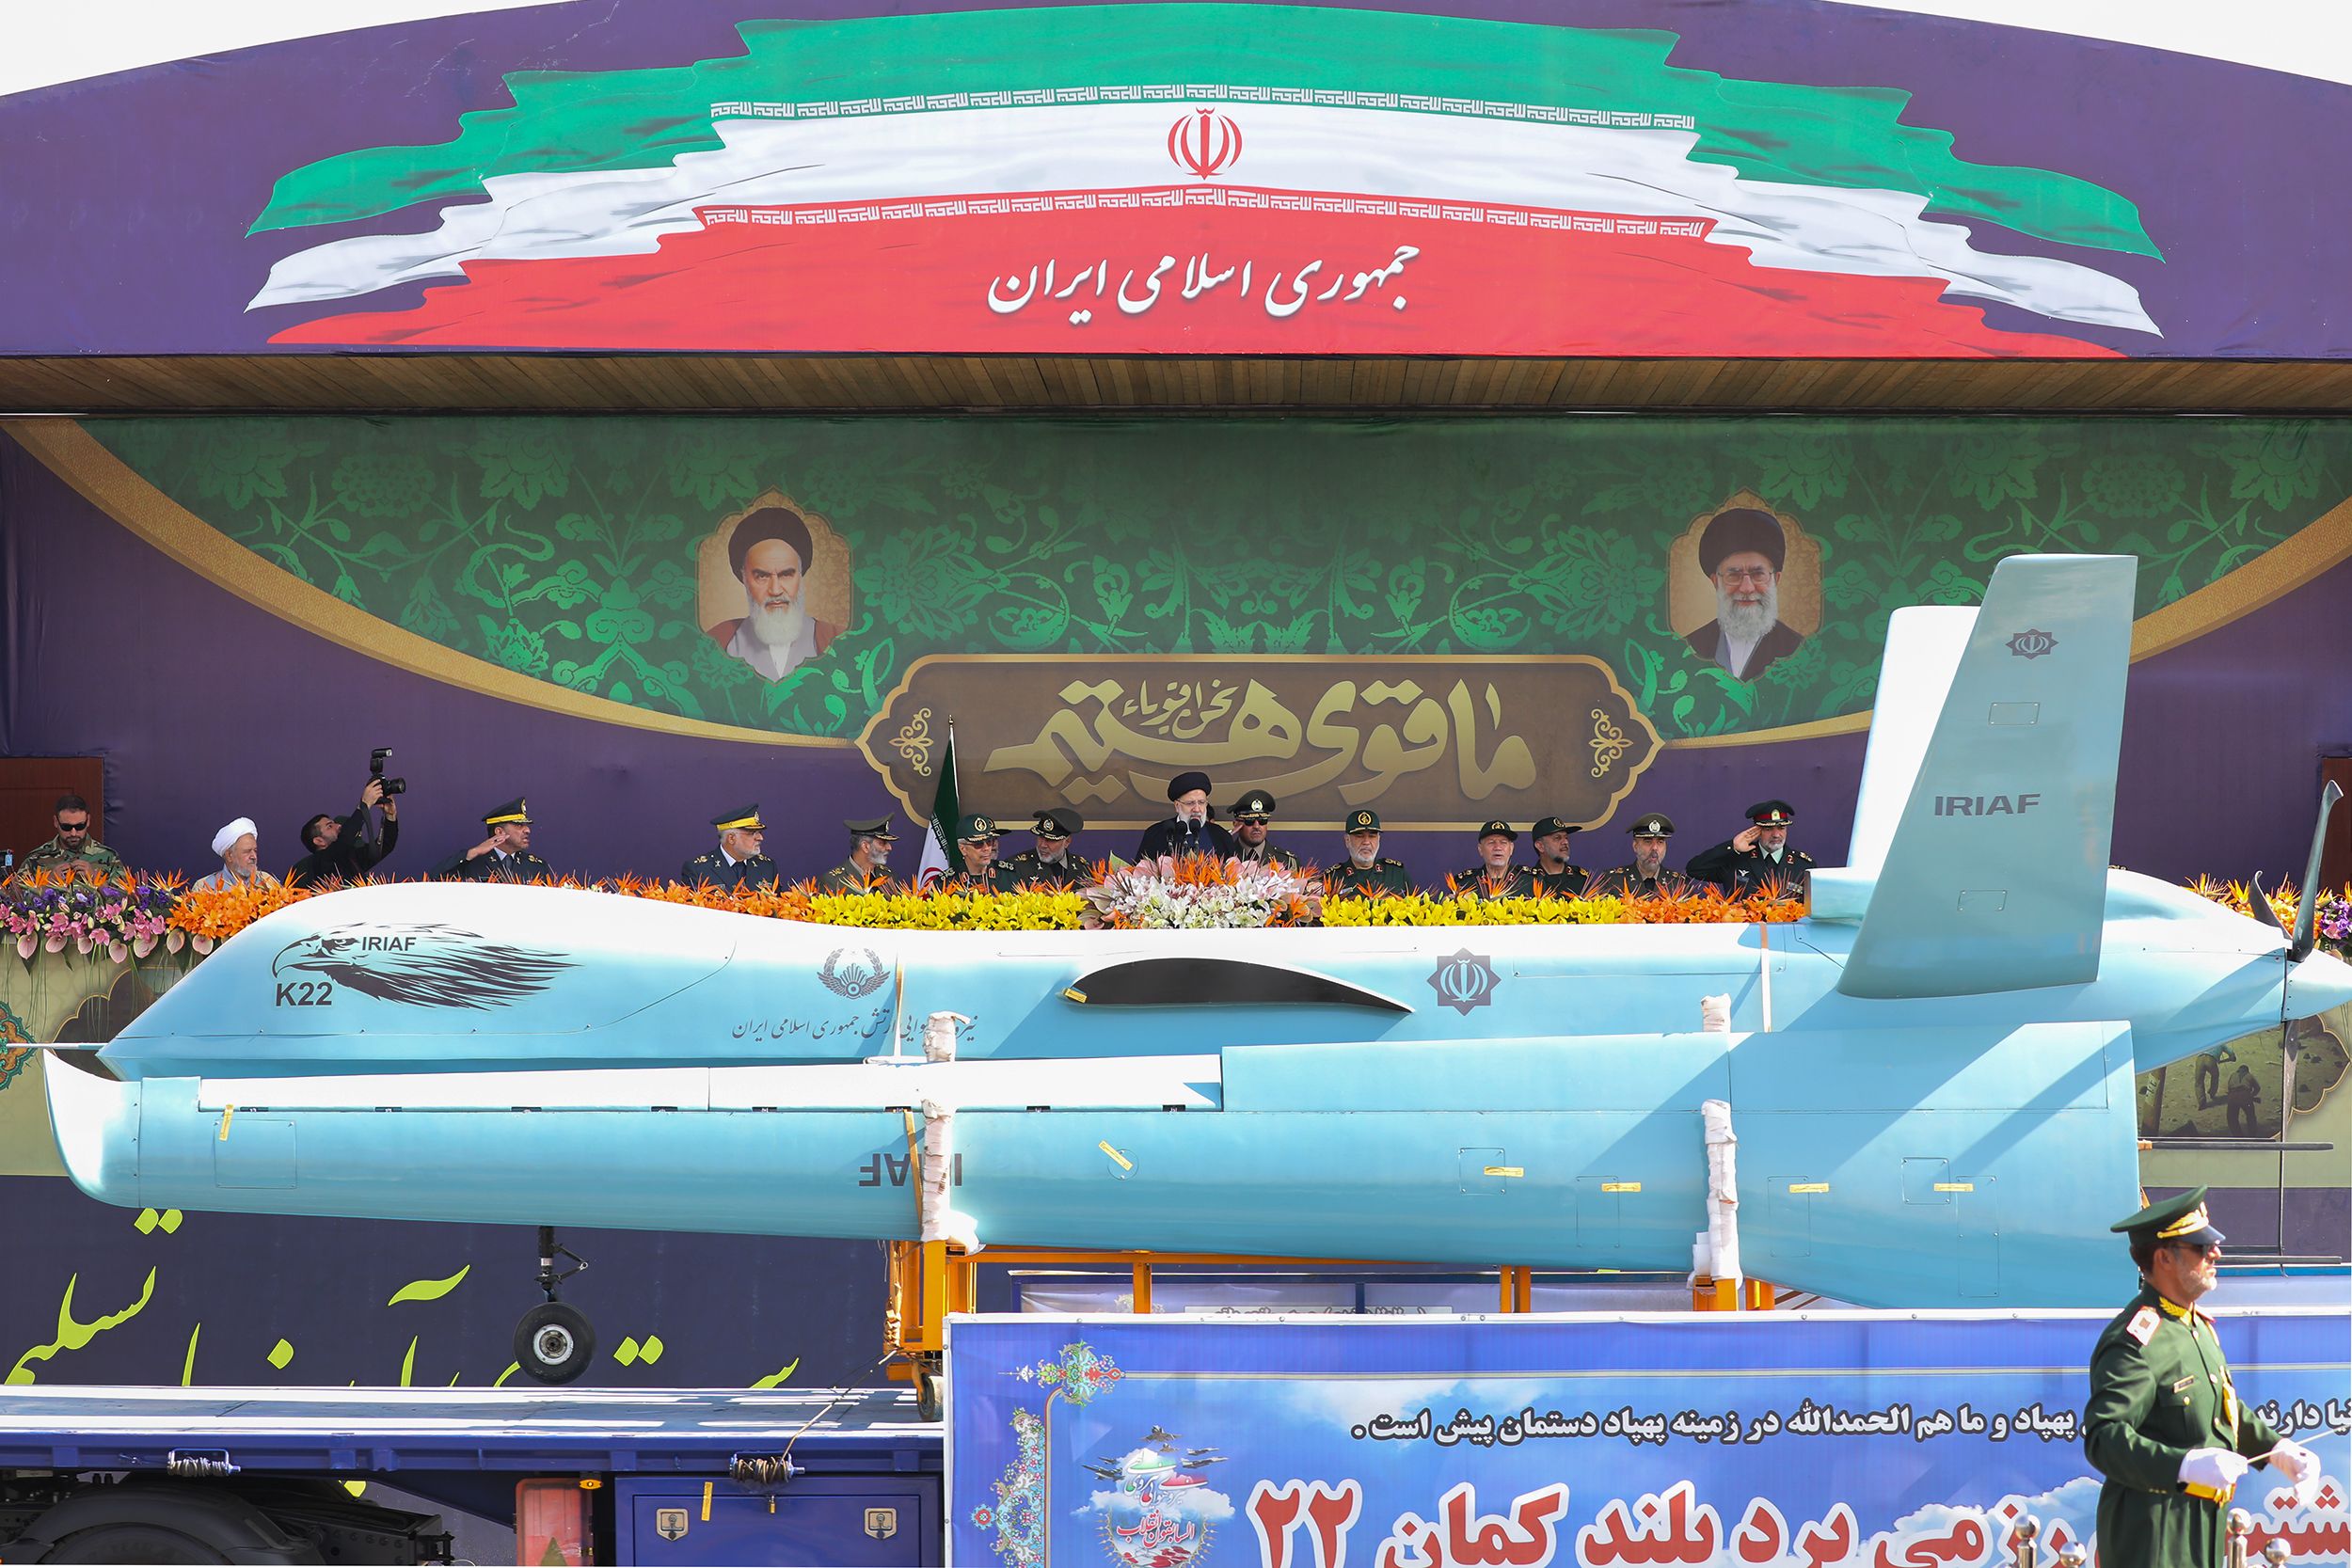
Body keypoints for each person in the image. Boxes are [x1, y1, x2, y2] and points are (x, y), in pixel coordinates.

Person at [2084, 1187, 2319, 1566]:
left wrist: (2279, 1450)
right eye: (2201, 1247)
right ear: (2164, 1258)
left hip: (2203, 1528)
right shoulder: (2137, 1341)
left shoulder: (2196, 1326)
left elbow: (2224, 1408)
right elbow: (2104, 1439)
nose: (2215, 1253)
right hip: (2154, 1537)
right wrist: (2184, 1466)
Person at [707, 506, 844, 682]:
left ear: (800, 575)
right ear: (744, 578)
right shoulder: (717, 641)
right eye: (762, 576)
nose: (776, 590)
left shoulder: (836, 638)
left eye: (786, 574)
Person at [1684, 509, 1805, 681]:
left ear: (1776, 579)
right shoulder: (1690, 648)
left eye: (1758, 574)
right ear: (1716, 582)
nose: (1747, 588)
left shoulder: (1800, 650)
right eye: (1734, 575)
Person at [1686, 800, 1815, 897]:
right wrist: (1732, 847)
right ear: (1757, 830)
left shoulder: (1803, 865)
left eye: (1781, 828)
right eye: (1768, 828)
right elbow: (1694, 869)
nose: (1776, 834)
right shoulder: (1736, 858)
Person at [288, 778, 401, 888]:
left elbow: (385, 846)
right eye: (329, 826)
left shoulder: (351, 859)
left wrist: (390, 815)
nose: (338, 826)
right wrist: (364, 804)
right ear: (319, 841)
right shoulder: (319, 863)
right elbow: (344, 842)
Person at [432, 798, 551, 883]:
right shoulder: (472, 862)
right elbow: (433, 879)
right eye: (519, 825)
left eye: (526, 826)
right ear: (499, 832)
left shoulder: (536, 866)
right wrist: (473, 852)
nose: (527, 830)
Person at [15, 794, 126, 881]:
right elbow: (15, 898)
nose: (73, 833)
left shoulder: (109, 857)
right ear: (56, 822)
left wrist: (95, 878)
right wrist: (47, 882)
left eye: (79, 826)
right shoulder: (35, 858)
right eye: (66, 827)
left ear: (88, 821)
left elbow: (125, 899)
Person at [1135, 771, 1237, 862]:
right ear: (1177, 805)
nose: (1197, 809)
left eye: (1201, 802)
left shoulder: (1220, 836)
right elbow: (1140, 872)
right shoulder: (1156, 834)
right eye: (1190, 803)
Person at [1590, 814, 1694, 898]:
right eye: (1648, 841)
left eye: (1660, 842)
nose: (1655, 848)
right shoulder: (1612, 881)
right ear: (1635, 846)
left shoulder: (1680, 884)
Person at [679, 804, 778, 891]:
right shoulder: (699, 870)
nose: (760, 838)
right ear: (731, 838)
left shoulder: (767, 867)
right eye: (752, 833)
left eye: (759, 832)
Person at [1324, 808, 1413, 898]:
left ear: (1379, 839)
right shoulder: (1332, 878)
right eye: (1359, 836)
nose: (1366, 842)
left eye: (1372, 836)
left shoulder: (1397, 874)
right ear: (1347, 840)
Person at [1000, 808, 1086, 889]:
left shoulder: (1083, 868)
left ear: (1067, 842)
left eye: (1050, 840)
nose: (1042, 845)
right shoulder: (1017, 866)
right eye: (1040, 837)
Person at [1450, 821, 1533, 900]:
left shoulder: (1530, 881)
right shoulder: (1464, 883)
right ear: (1480, 849)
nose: (1498, 847)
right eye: (1491, 842)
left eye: (1503, 842)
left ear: (1511, 848)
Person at [192, 817, 278, 892]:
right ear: (229, 855)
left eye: (255, 850)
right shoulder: (203, 887)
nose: (254, 856)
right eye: (247, 851)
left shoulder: (268, 882)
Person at [944, 814, 1022, 893]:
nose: (986, 848)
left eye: (989, 842)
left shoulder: (1009, 875)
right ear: (963, 849)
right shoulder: (946, 882)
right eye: (978, 844)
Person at [818, 817, 898, 893]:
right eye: (882, 843)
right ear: (865, 847)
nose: (889, 847)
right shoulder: (833, 882)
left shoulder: (887, 875)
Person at [1228, 790, 1301, 871]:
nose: (1256, 826)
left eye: (1262, 821)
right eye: (1250, 821)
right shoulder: (1225, 857)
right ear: (1236, 824)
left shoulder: (1288, 862)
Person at [1527, 816, 1589, 897]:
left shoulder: (1581, 880)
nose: (1565, 842)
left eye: (1566, 837)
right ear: (1540, 846)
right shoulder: (1527, 882)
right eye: (1557, 838)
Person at [2223, 1067, 2262, 1137]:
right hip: (2245, 1096)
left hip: (2233, 1096)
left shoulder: (2233, 1075)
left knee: (2232, 1118)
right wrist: (2251, 1095)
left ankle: (2238, 1135)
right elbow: (2257, 1088)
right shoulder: (2249, 1076)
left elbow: (2228, 1088)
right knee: (2251, 1116)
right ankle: (2252, 1135)